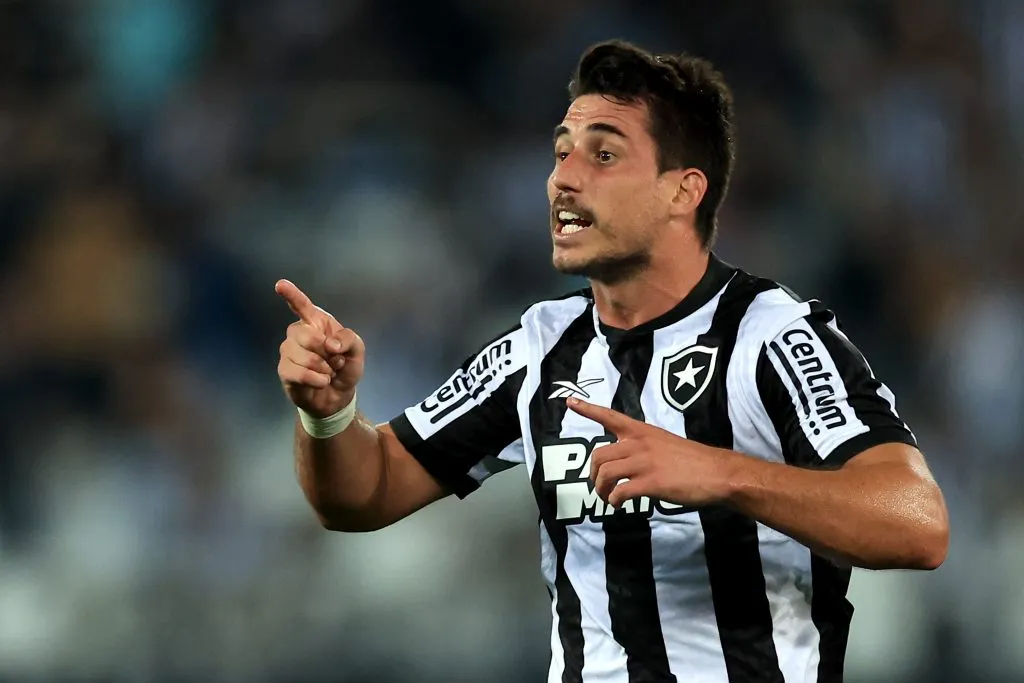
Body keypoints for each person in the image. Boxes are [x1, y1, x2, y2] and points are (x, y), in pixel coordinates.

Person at [274, 39, 948, 683]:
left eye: (603, 155)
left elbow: (917, 523)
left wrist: (723, 472)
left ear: (682, 191)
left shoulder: (771, 336)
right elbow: (364, 493)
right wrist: (329, 415)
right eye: (561, 153)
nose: (563, 179)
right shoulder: (540, 345)